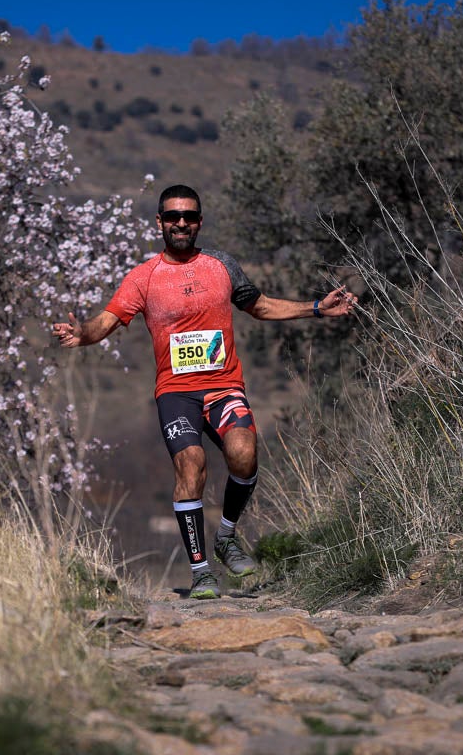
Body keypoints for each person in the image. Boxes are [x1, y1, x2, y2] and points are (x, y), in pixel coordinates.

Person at [52, 184, 356, 599]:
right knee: (190, 464)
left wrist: (317, 308)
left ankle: (226, 537)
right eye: (172, 216)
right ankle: (201, 572)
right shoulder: (143, 277)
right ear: (159, 222)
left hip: (224, 386)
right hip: (176, 394)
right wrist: (81, 333)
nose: (181, 223)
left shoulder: (221, 265)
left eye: (189, 216)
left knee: (243, 453)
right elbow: (105, 322)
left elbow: (260, 306)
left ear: (199, 222)